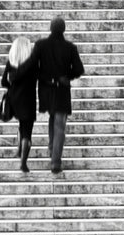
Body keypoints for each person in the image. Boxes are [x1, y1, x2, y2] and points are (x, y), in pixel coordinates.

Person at [30, 16, 85, 174]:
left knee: (53, 117)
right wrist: (67, 76)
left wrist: (44, 77)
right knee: (59, 123)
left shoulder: (41, 45)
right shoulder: (70, 47)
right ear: (64, 29)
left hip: (46, 89)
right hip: (61, 89)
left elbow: (33, 66)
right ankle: (55, 161)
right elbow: (79, 69)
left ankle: (51, 149)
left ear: (51, 28)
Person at [0, 35, 38, 173]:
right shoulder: (33, 63)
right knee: (27, 131)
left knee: (21, 125)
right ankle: (23, 163)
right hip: (28, 100)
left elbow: (4, 82)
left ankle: (18, 150)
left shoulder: (11, 62)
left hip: (14, 99)